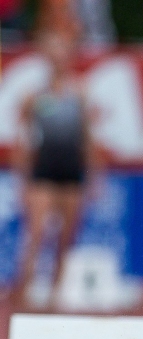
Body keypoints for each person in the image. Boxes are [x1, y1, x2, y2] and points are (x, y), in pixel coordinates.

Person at [10, 33, 99, 309]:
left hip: (71, 171)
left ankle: (54, 296)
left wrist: (95, 176)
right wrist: (21, 177)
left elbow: (87, 139)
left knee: (65, 238)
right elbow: (23, 138)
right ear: (47, 60)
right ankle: (22, 295)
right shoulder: (35, 97)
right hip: (44, 171)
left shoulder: (79, 94)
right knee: (36, 235)